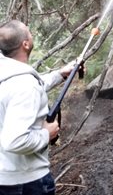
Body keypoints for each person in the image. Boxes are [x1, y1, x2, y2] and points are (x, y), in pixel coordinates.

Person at [0, 20, 76, 195]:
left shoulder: (9, 74)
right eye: (29, 32)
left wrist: (60, 74)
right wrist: (46, 134)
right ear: (25, 44)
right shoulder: (25, 85)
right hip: (25, 183)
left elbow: (29, 86)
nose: (31, 33)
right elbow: (15, 141)